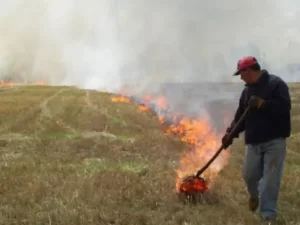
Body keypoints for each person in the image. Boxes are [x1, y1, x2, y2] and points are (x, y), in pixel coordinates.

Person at [221, 56, 291, 222]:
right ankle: (254, 196)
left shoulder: (276, 84)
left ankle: (268, 215)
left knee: (269, 182)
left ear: (250, 70)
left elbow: (284, 107)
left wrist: (263, 104)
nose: (241, 77)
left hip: (275, 141)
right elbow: (240, 118)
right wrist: (230, 134)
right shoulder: (247, 91)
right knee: (249, 176)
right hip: (253, 143)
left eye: (241, 73)